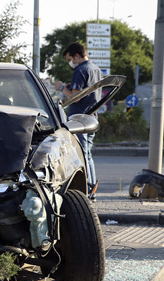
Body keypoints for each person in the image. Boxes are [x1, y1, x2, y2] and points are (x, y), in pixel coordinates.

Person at [52, 42, 103, 198]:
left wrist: (61, 87)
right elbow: (88, 92)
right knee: (87, 153)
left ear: (77, 56)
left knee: (80, 154)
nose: (70, 63)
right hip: (92, 117)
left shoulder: (80, 70)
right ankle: (91, 187)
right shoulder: (95, 69)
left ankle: (87, 188)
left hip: (79, 119)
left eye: (70, 59)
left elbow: (74, 97)